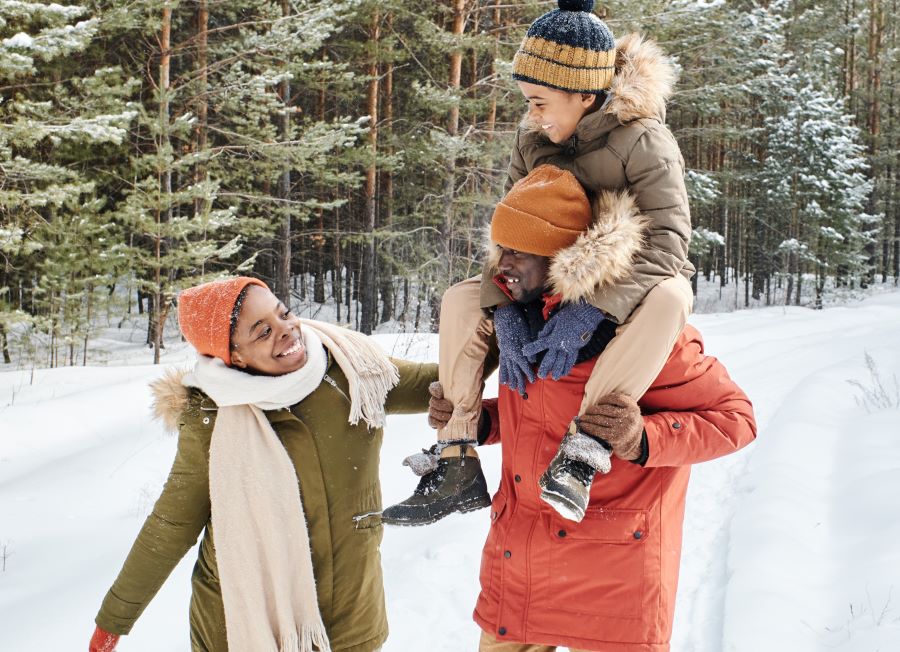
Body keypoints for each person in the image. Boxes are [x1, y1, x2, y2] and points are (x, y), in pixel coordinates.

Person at [383, 0, 695, 525]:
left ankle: (583, 451)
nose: (532, 115)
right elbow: (510, 231)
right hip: (544, 275)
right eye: (528, 101)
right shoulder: (532, 141)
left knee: (671, 298)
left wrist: (591, 308)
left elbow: (668, 243)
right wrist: (504, 307)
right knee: (463, 298)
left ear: (584, 93)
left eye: (540, 101)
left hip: (628, 278)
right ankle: (456, 455)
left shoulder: (645, 141)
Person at [428, 168, 756, 651]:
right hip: (519, 565)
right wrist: (484, 422)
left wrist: (641, 438)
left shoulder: (642, 333)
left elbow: (737, 418)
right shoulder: (519, 323)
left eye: (518, 252)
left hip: (612, 583)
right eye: (499, 251)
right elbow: (539, 413)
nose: (503, 267)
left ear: (564, 259)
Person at [88, 277, 437, 652]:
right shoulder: (213, 415)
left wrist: (501, 326)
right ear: (233, 355)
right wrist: (115, 619)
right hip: (244, 623)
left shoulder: (350, 369)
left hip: (350, 614)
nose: (286, 331)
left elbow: (438, 382)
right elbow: (173, 523)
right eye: (262, 331)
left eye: (283, 313)